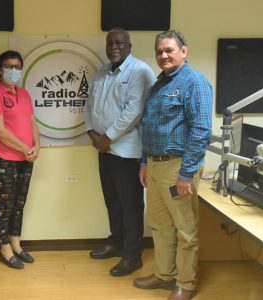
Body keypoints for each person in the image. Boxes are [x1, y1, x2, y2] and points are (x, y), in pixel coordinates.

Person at [133, 30, 212, 300]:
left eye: (169, 50)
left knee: (185, 229)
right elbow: (150, 127)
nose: (163, 55)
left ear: (184, 51)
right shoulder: (160, 83)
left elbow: (201, 130)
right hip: (155, 166)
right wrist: (145, 161)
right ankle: (164, 275)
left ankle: (186, 283)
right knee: (159, 224)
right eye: (159, 51)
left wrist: (186, 174)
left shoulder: (195, 82)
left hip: (178, 168)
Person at [83, 28, 155, 276]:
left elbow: (133, 111)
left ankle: (132, 256)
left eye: (119, 43)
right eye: (110, 43)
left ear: (129, 46)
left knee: (130, 204)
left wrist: (107, 137)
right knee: (112, 201)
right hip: (104, 150)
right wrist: (93, 134)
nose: (114, 46)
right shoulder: (102, 72)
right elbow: (89, 105)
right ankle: (115, 243)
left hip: (127, 152)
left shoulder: (140, 72)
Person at [0, 50, 40, 270]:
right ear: (0, 69)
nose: (14, 71)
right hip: (3, 159)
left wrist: (37, 147)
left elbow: (32, 122)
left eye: (18, 67)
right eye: (9, 67)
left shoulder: (24, 94)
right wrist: (26, 148)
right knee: (5, 205)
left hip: (26, 158)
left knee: (19, 203)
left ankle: (16, 243)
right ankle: (4, 247)